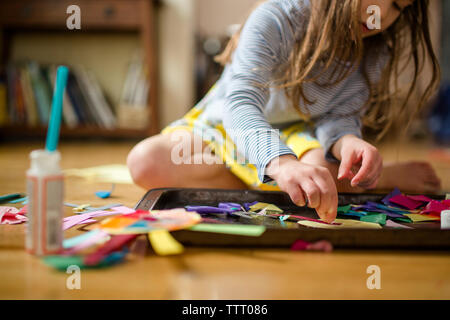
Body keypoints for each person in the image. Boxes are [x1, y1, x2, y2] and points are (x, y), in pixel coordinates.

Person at [127, 0, 441, 223]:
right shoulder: (276, 17)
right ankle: (285, 183)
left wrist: (347, 143)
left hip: (298, 135)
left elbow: (338, 117)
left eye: (399, 5)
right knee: (145, 161)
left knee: (318, 175)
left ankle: (284, 182)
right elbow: (241, 104)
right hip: (227, 127)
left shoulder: (373, 48)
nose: (382, 13)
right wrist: (281, 163)